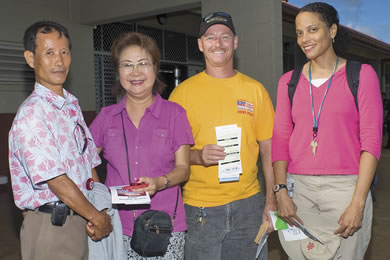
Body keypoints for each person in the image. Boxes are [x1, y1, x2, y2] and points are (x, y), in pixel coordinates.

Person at [272, 2, 383, 260]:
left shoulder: (361, 75)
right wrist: (280, 192)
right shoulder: (288, 82)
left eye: (312, 30)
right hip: (298, 188)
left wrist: (358, 202)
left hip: (346, 189)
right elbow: (280, 140)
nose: (304, 39)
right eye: (299, 32)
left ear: (331, 30)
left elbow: (371, 141)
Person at [169, 12, 276, 260]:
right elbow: (170, 153)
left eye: (224, 36)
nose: (218, 43)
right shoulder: (181, 95)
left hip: (249, 204)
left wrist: (271, 202)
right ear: (200, 44)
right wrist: (197, 156)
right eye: (210, 37)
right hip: (200, 209)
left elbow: (268, 150)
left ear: (235, 42)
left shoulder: (255, 90)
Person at [8, 21, 113, 260]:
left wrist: (97, 210)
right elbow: (56, 180)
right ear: (31, 58)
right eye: (49, 53)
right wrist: (97, 217)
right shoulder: (33, 113)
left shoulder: (70, 106)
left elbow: (88, 165)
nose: (59, 60)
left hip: (80, 217)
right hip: (52, 226)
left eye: (64, 52)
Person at [89, 32, 194, 260]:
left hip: (164, 225)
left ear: (155, 68)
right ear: (118, 72)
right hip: (115, 224)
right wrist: (100, 198)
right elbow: (83, 162)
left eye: (143, 64)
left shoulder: (175, 114)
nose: (135, 72)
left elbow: (183, 168)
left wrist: (160, 182)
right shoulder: (107, 117)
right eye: (127, 65)